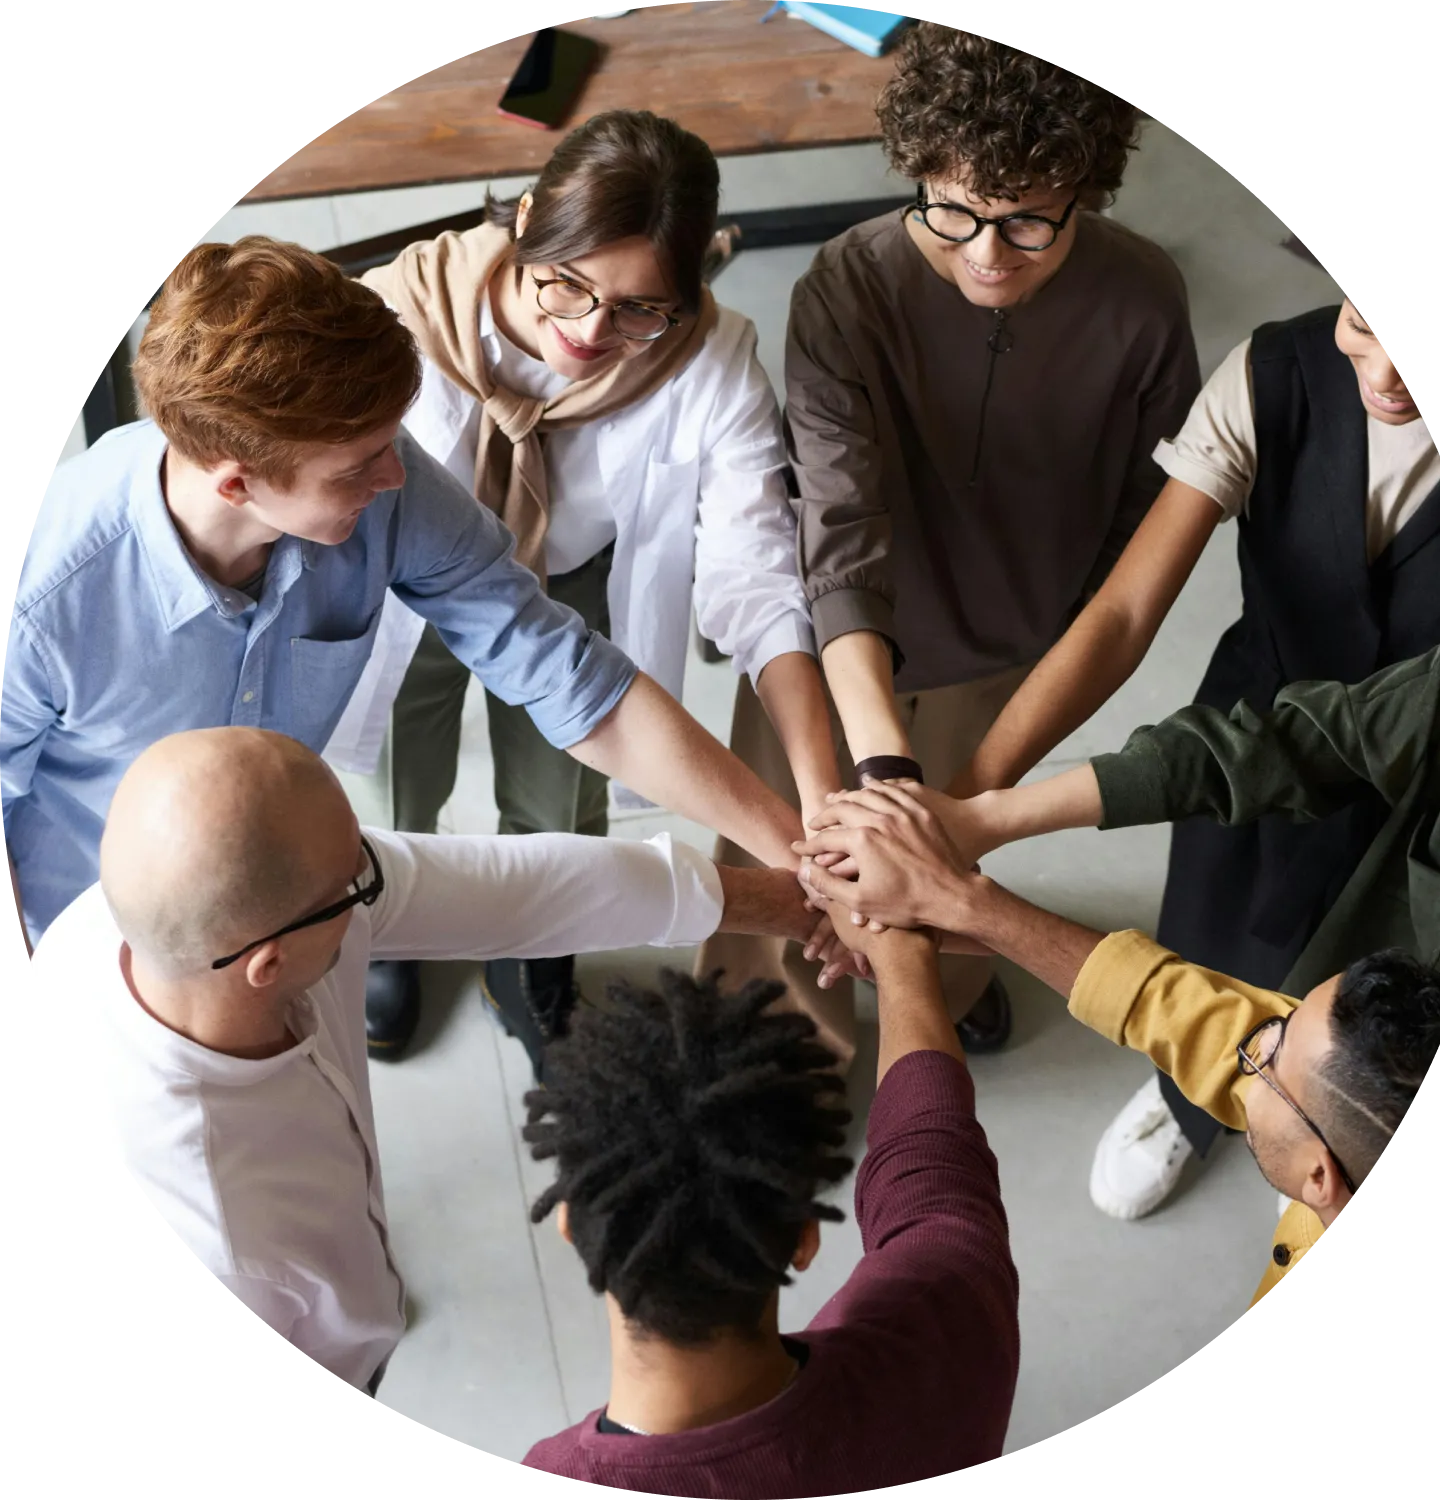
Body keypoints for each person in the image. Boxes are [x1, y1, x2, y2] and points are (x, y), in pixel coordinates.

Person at [1, 237, 835, 1056]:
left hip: (287, 905)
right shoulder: (42, 600)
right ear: (236, 483)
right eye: (358, 467)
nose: (394, 477)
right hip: (93, 940)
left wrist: (805, 857)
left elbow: (563, 671)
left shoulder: (370, 465)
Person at [31, 727, 829, 1396]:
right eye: (354, 883)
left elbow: (517, 890)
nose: (375, 878)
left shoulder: (170, 904)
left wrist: (786, 903)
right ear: (267, 963)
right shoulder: (224, 1239)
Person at [696, 21, 1201, 1071]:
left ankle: (953, 985)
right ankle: (781, 1043)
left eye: (1028, 223)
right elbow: (838, 530)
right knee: (795, 855)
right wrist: (882, 772)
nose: (986, 254)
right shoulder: (846, 287)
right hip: (838, 644)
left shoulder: (1145, 298)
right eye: (953, 211)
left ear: (1088, 190)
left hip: (1009, 645)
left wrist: (1050, 653)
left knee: (958, 858)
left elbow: (1141, 523)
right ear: (918, 169)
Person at [933, 297, 1440, 1217]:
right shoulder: (1272, 376)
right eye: (1363, 323)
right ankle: (1191, 1103)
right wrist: (968, 805)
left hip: (1434, 782)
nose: (1386, 373)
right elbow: (1122, 614)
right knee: (1212, 920)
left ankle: (1329, 1136)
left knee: (1377, 992)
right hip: (1249, 734)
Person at [321, 110, 844, 1073]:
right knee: (395, 774)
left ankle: (533, 947)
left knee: (560, 798)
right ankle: (389, 923)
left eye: (641, 308)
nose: (591, 332)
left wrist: (819, 806)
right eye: (566, 283)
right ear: (527, 220)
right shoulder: (399, 311)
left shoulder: (709, 357)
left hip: (573, 582)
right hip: (405, 585)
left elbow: (756, 575)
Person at [794, 780, 1440, 1307]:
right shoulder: (1355, 1108)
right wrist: (960, 903)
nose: (1247, 1037)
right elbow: (1177, 1009)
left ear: (1320, 1179)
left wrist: (905, 956)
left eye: (1268, 1057)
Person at [521, 934, 1018, 1494]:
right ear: (805, 1238)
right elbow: (933, 1155)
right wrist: (901, 957)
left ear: (570, 1226)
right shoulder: (950, 1314)